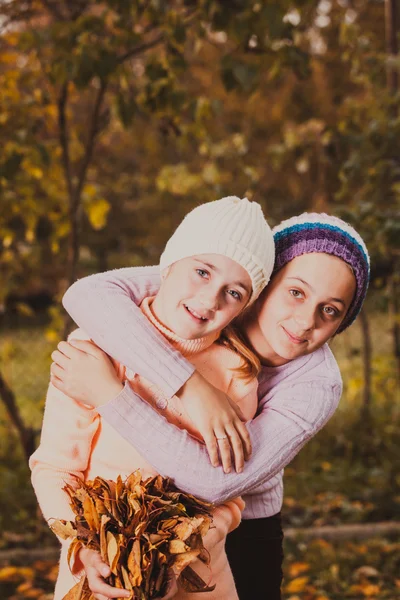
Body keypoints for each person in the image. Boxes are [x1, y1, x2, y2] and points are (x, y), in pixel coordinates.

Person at [55, 212, 370, 600]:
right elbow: (88, 295)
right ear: (265, 283)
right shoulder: (215, 290)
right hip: (142, 519)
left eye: (330, 310)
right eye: (297, 292)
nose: (305, 321)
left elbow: (216, 482)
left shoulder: (317, 384)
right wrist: (189, 386)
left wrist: (112, 396)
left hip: (241, 517)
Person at [30, 196, 276, 600]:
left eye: (234, 292)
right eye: (201, 271)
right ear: (169, 263)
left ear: (245, 307)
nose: (211, 298)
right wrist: (82, 548)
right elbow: (55, 468)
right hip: (100, 573)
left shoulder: (237, 376)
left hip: (200, 581)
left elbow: (229, 498)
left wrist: (184, 557)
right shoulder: (94, 349)